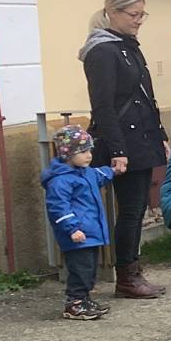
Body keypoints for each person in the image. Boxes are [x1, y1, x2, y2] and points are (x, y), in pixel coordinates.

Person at [81, 0, 168, 299]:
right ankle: (126, 278)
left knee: (137, 207)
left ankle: (133, 271)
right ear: (112, 12)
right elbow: (103, 106)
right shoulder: (102, 51)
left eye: (142, 14)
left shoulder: (127, 46)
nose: (139, 20)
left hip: (142, 137)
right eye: (133, 14)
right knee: (130, 211)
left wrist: (160, 135)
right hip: (123, 141)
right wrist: (117, 149)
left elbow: (146, 97)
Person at [41, 124, 115, 320]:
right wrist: (72, 228)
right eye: (82, 152)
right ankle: (74, 302)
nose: (89, 155)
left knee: (89, 269)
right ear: (67, 154)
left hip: (90, 232)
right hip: (77, 234)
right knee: (80, 270)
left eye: (89, 150)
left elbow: (99, 175)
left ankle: (84, 299)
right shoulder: (61, 180)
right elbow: (58, 207)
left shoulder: (86, 172)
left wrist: (113, 171)